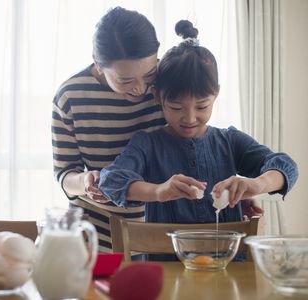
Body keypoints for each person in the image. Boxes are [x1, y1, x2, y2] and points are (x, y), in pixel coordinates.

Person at [98, 20, 299, 260]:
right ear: (157, 98)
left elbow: (285, 166)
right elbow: (111, 180)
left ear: (216, 95)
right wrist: (160, 191)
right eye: (175, 107)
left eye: (202, 106)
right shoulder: (147, 144)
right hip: (167, 276)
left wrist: (255, 185)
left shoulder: (230, 141)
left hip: (228, 274)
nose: (190, 118)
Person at [52, 7, 166, 253]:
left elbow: (196, 139)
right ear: (98, 63)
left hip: (162, 234)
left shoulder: (169, 84)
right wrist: (85, 181)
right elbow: (64, 174)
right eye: (125, 80)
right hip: (95, 239)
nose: (141, 88)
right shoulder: (70, 96)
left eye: (149, 74)